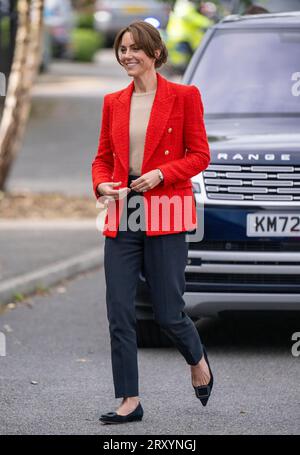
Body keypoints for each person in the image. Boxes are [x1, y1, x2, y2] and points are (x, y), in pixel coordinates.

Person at [91, 21, 213, 425]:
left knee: (167, 313)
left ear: (155, 53)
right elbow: (103, 157)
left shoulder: (184, 97)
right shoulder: (113, 102)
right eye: (121, 49)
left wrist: (162, 174)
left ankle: (196, 357)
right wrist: (101, 184)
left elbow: (200, 155)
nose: (127, 55)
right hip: (123, 214)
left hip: (167, 213)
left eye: (134, 49)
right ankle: (129, 399)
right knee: (120, 311)